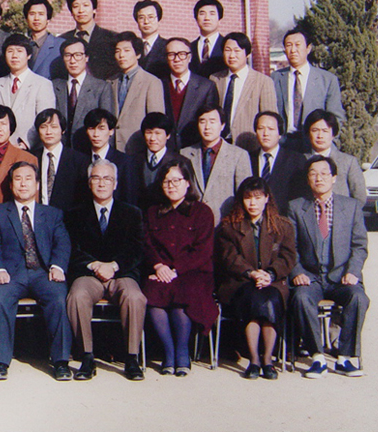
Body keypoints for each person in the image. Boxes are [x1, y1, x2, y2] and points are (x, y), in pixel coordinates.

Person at [0, 162, 72, 381]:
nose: (23, 184)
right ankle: (0, 361)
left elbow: (62, 243)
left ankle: (61, 361)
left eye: (28, 178)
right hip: (11, 274)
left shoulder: (52, 214)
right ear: (11, 184)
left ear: (37, 184)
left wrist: (57, 266)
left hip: (43, 272)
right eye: (18, 179)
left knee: (59, 298)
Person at [288, 155, 369, 378]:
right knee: (301, 298)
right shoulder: (296, 207)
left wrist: (352, 271)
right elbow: (290, 247)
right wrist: (297, 272)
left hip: (341, 277)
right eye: (313, 174)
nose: (319, 178)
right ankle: (317, 357)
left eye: (324, 173)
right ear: (307, 179)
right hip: (311, 277)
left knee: (358, 298)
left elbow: (360, 245)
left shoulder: (351, 207)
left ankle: (344, 358)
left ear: (334, 178)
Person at [66, 159, 146, 381]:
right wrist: (94, 265)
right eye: (96, 178)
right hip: (89, 273)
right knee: (77, 296)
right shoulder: (74, 213)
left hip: (120, 273)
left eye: (107, 178)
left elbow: (137, 249)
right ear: (89, 182)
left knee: (135, 297)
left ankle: (131, 358)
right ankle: (87, 357)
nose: (102, 183)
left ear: (115, 183)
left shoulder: (132, 213)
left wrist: (114, 266)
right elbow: (70, 249)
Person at [143, 157, 219, 376]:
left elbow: (203, 251)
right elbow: (146, 244)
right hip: (160, 271)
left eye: (177, 180)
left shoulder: (202, 212)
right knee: (152, 293)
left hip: (193, 272)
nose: (171, 186)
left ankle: (182, 351)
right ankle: (168, 353)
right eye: (166, 181)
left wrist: (175, 270)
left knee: (183, 295)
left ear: (187, 183)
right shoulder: (153, 212)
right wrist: (159, 266)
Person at [216, 177, 296, 380]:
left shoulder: (283, 226)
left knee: (270, 300)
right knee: (253, 301)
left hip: (273, 282)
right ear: (241, 200)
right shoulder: (229, 227)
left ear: (267, 198)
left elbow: (288, 257)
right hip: (241, 282)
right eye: (248, 198)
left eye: (258, 197)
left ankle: (268, 360)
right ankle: (254, 360)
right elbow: (230, 257)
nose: (253, 203)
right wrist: (251, 273)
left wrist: (270, 274)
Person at [271, 28, 345, 147]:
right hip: (284, 145)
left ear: (308, 48)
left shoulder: (327, 80)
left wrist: (328, 144)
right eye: (289, 45)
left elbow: (336, 118)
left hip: (315, 144)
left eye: (297, 45)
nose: (293, 50)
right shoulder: (275, 78)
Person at [180, 105, 252, 223]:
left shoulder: (239, 155)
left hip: (225, 223)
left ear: (222, 125)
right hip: (191, 222)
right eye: (202, 121)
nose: (207, 127)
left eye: (212, 121)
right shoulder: (185, 154)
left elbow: (244, 194)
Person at [209, 32, 278, 151]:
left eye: (237, 51)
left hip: (249, 145)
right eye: (228, 50)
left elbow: (269, 118)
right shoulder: (215, 79)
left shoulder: (263, 81)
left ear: (247, 53)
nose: (232, 55)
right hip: (219, 144)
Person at [0, 34, 56, 150]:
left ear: (28, 55)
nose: (14, 56)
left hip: (29, 149)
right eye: (10, 51)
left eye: (19, 51)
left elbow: (44, 120)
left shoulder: (42, 84)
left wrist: (24, 144)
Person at [110, 31, 166, 154]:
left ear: (138, 54)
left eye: (126, 50)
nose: (121, 55)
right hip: (111, 148)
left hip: (137, 147)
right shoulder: (110, 82)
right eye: (118, 51)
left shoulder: (151, 82)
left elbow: (156, 121)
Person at [53, 37, 113, 149]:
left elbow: (107, 125)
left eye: (78, 55)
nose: (73, 60)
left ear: (86, 57)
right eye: (68, 55)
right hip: (61, 150)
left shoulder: (101, 87)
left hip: (88, 149)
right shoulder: (54, 86)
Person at [162, 37, 219, 149]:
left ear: (190, 57)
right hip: (166, 148)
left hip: (194, 149)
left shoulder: (206, 86)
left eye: (182, 54)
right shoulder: (158, 84)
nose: (177, 59)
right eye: (171, 54)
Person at [0, 106, 38, 207]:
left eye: (3, 124)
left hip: (8, 214)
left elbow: (32, 201)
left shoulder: (27, 158)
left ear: (11, 128)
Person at [303, 109, 367, 205]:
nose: (320, 136)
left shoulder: (348, 162)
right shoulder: (300, 160)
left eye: (325, 131)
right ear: (308, 134)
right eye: (315, 130)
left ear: (333, 134)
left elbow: (359, 197)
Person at [249, 111, 307, 214]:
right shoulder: (247, 158)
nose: (265, 133)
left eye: (271, 129)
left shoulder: (296, 160)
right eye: (261, 128)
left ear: (280, 134)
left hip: (284, 217)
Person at [77, 108, 138, 206]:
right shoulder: (79, 160)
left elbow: (129, 197)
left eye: (101, 128)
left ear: (111, 131)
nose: (96, 134)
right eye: (91, 128)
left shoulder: (124, 162)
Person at [57, 0, 118, 81]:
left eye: (85, 5)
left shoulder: (111, 38)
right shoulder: (62, 40)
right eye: (76, 6)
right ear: (71, 12)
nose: (81, 10)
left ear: (94, 9)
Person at [32, 109, 84, 212]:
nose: (48, 132)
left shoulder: (78, 160)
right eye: (43, 127)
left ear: (62, 130)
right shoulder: (32, 158)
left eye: (54, 127)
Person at [133, 112, 179, 212]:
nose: (153, 138)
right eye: (149, 132)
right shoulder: (133, 161)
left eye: (158, 133)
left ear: (168, 135)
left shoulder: (179, 162)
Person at [23, 0, 63, 79]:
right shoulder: (21, 45)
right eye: (32, 14)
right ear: (26, 19)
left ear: (48, 19)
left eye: (41, 14)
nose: (36, 18)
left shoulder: (60, 45)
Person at [189, 0, 226, 77]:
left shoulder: (227, 46)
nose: (207, 18)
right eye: (202, 13)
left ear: (219, 19)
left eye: (212, 13)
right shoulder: (189, 48)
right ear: (196, 19)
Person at [134, 0, 168, 78]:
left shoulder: (167, 46)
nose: (146, 21)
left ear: (158, 20)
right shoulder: (133, 47)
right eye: (141, 17)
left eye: (151, 17)